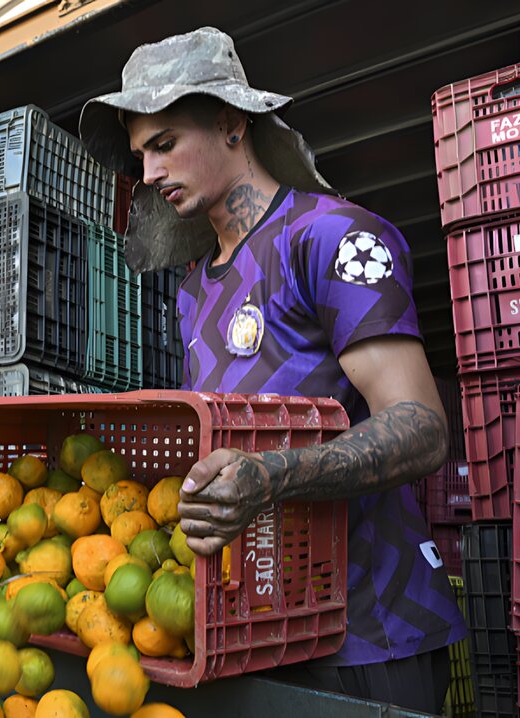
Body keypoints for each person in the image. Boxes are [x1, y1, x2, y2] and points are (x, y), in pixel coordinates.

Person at [77, 27, 465, 713]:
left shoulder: (333, 238)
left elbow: (422, 428)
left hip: (370, 631)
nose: (150, 174)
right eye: (140, 156)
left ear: (232, 123)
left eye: (164, 144)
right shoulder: (193, 289)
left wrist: (271, 476)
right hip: (258, 631)